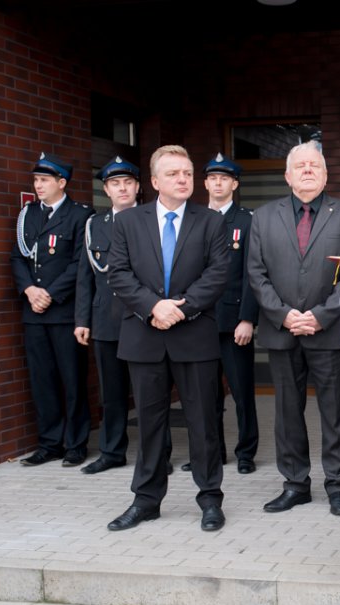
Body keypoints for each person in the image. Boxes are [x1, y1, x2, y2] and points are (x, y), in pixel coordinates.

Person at [106, 145, 229, 532]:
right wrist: (153, 307)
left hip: (194, 335)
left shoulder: (210, 221)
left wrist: (181, 308)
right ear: (155, 182)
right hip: (144, 336)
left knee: (203, 423)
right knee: (149, 423)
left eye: (187, 173)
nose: (183, 179)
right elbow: (119, 273)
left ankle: (210, 499)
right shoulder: (127, 222)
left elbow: (218, 272)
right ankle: (146, 500)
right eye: (174, 174)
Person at [248, 141, 340, 516]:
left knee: (335, 412)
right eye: (301, 166)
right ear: (287, 175)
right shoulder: (263, 217)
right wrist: (283, 315)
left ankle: (337, 485)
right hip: (281, 331)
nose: (308, 170)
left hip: (327, 331)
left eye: (315, 165)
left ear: (326, 174)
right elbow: (255, 273)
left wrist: (321, 315)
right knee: (287, 412)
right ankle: (295, 483)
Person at [177, 153, 259, 475]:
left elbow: (254, 272)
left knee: (241, 393)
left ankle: (246, 453)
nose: (218, 183)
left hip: (234, 321)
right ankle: (212, 453)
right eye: (212, 178)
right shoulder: (191, 218)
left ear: (234, 184)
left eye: (225, 178)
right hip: (198, 321)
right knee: (204, 395)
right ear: (205, 183)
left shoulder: (247, 221)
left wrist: (248, 318)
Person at [11, 152, 94, 467]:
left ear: (62, 182)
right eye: (35, 180)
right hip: (34, 311)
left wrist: (50, 293)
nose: (38, 185)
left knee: (71, 379)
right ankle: (49, 443)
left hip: (64, 312)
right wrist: (30, 290)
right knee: (42, 380)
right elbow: (18, 257)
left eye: (44, 180)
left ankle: (75, 444)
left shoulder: (80, 214)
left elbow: (80, 264)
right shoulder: (28, 214)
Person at [74, 156, 141, 474]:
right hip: (105, 320)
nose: (122, 188)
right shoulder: (94, 225)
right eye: (116, 184)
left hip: (142, 319)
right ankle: (112, 452)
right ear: (107, 190)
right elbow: (85, 276)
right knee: (111, 393)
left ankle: (157, 455)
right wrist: (82, 320)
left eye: (128, 182)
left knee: (148, 394)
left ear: (138, 187)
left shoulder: (150, 220)